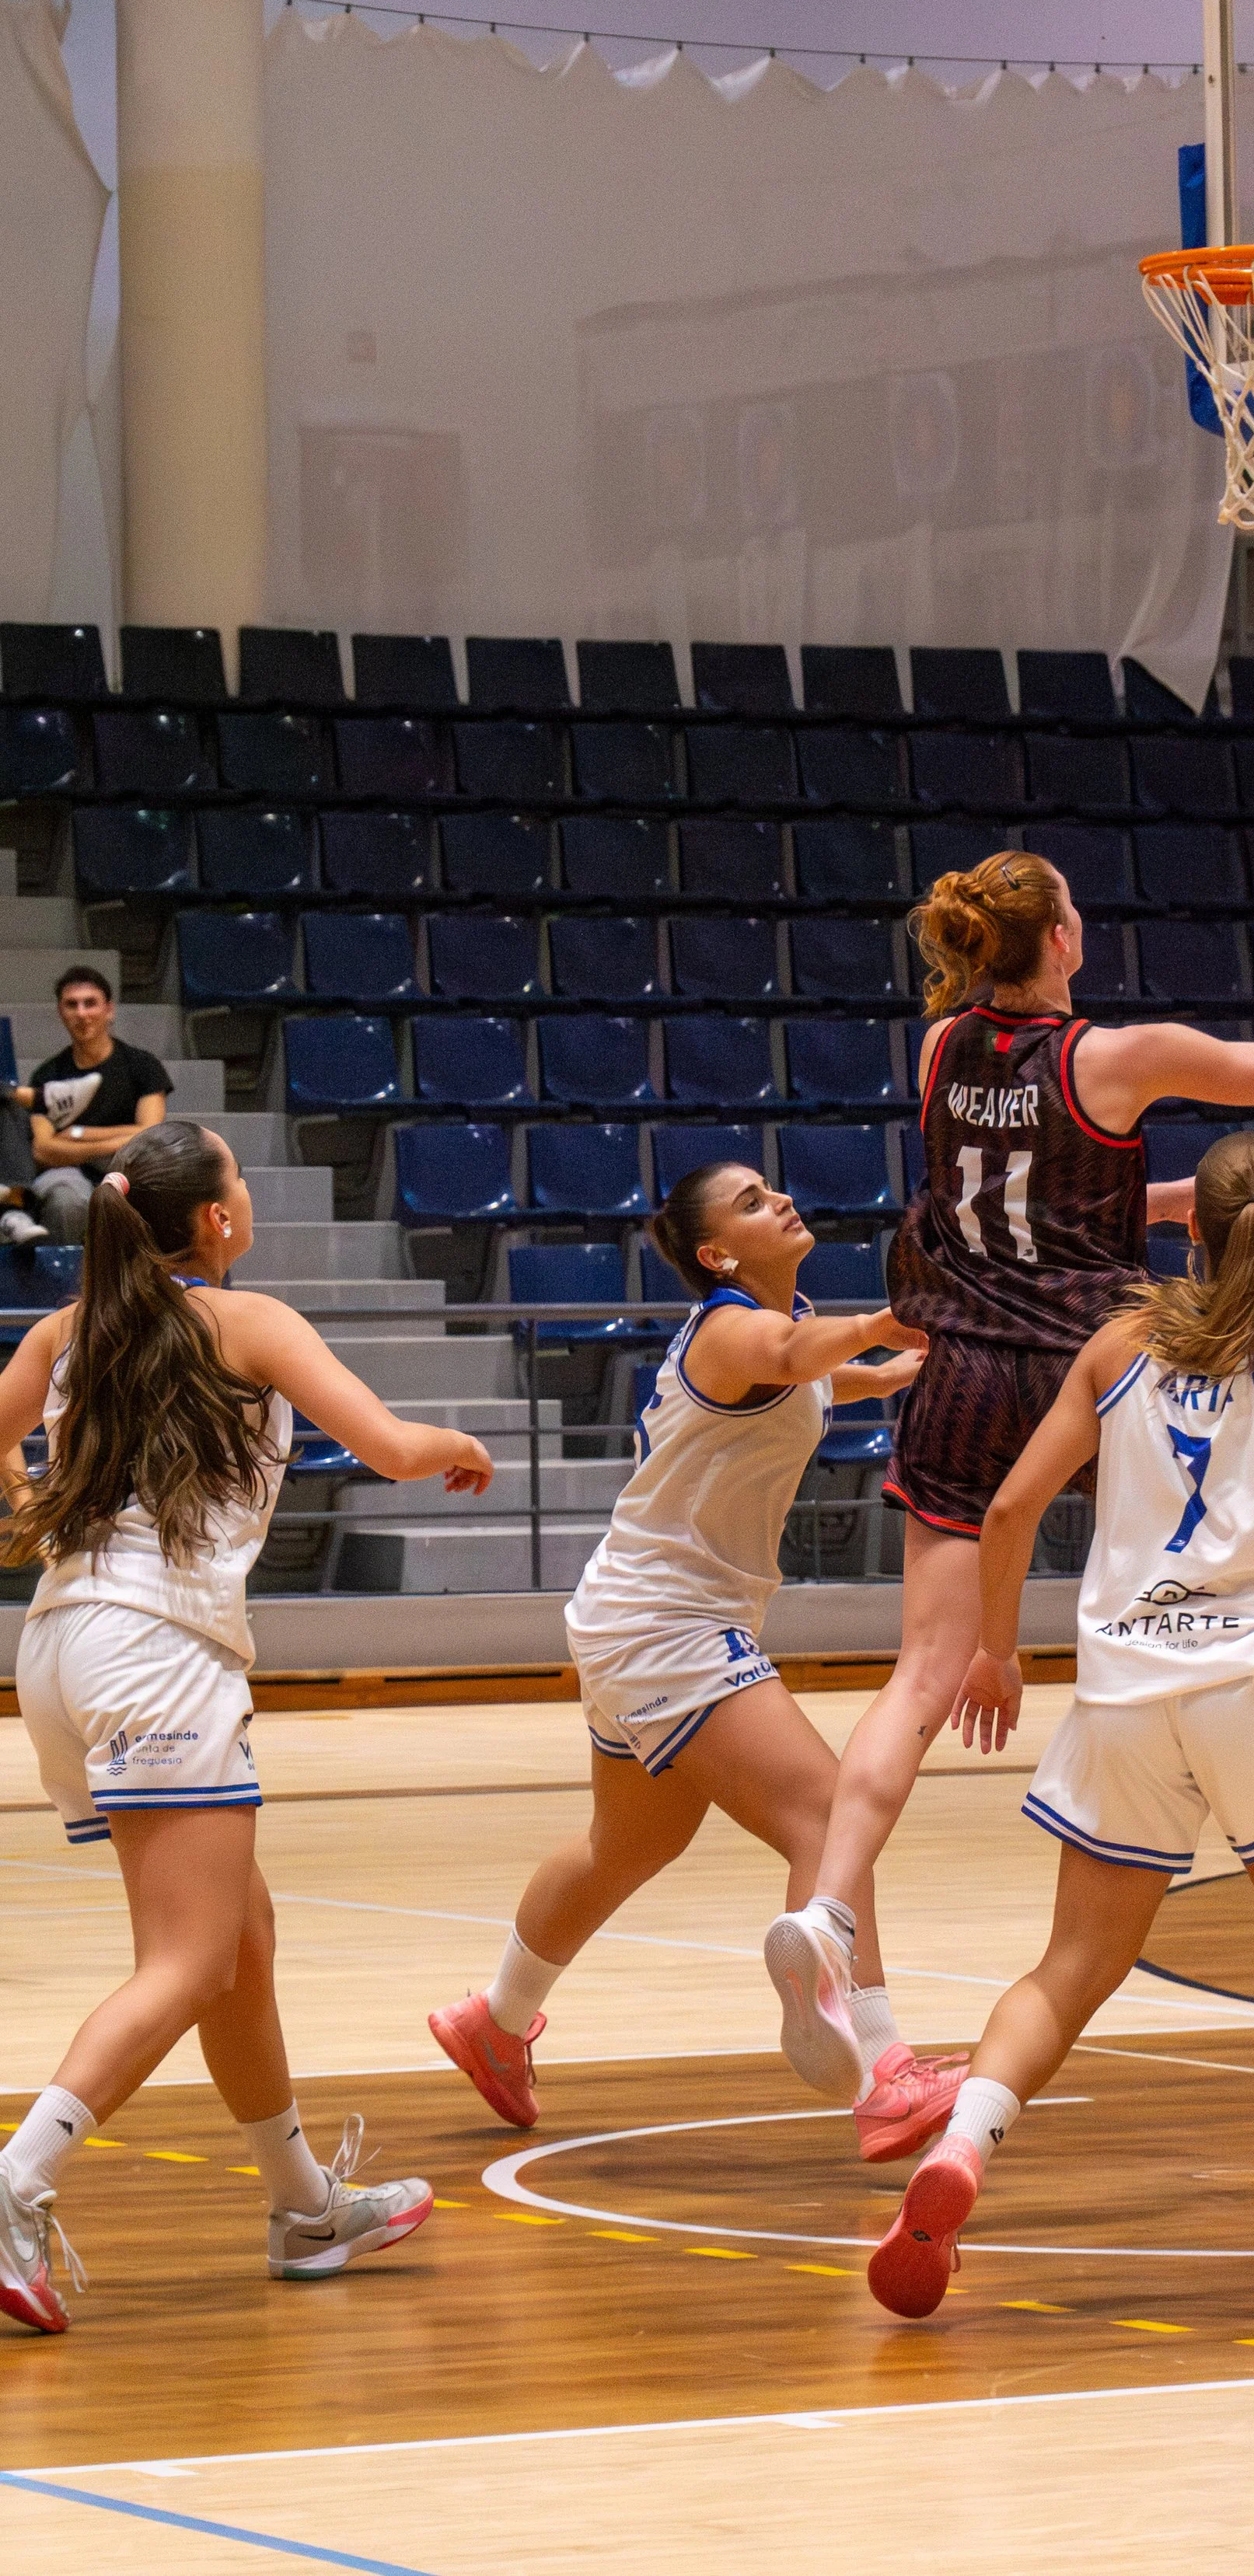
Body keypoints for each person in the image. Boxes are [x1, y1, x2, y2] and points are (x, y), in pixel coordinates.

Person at [766, 846, 1254, 2051]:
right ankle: (1240, 1718)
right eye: (1074, 904)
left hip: (956, 1369)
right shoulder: (1115, 1053)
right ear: (1060, 938)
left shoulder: (937, 1047)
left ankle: (833, 1909)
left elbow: (1031, 1190)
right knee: (1223, 1524)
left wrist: (1142, 1202)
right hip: (1084, 1367)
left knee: (920, 1678)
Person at [864, 1129, 1254, 2324]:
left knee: (1067, 1972)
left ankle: (964, 2146)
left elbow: (1006, 1508)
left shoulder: (1115, 1349)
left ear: (1185, 1230)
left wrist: (999, 1650)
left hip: (1125, 1694)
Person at [0, 1119, 495, 2335]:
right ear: (213, 1221)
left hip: (60, 1641)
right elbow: (384, 1445)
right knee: (185, 1958)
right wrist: (457, 1445)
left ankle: (305, 2206)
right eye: (236, 1180)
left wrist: (32, 1506)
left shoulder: (68, 1328)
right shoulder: (252, 1320)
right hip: (160, 1652)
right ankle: (14, 2182)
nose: (246, 1197)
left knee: (243, 1937)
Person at [431, 1159, 962, 2161]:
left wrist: (881, 1374)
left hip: (632, 1618)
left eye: (774, 1187)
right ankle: (886, 2071)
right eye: (753, 1202)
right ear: (717, 1252)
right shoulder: (734, 1325)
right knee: (829, 1810)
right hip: (667, 1625)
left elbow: (801, 1367)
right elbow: (794, 1350)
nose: (782, 1200)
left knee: (626, 1846)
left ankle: (493, 2022)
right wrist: (889, 1322)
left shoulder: (767, 1329)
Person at [24, 965, 173, 1245]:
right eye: (72, 1005)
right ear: (61, 1012)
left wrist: (77, 1134)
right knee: (65, 1203)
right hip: (66, 1176)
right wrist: (115, 1142)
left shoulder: (143, 1066)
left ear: (109, 1010)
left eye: (90, 1003)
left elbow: (150, 1135)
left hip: (128, 1170)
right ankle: (64, 1288)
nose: (81, 1013)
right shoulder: (47, 1076)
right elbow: (43, 1149)